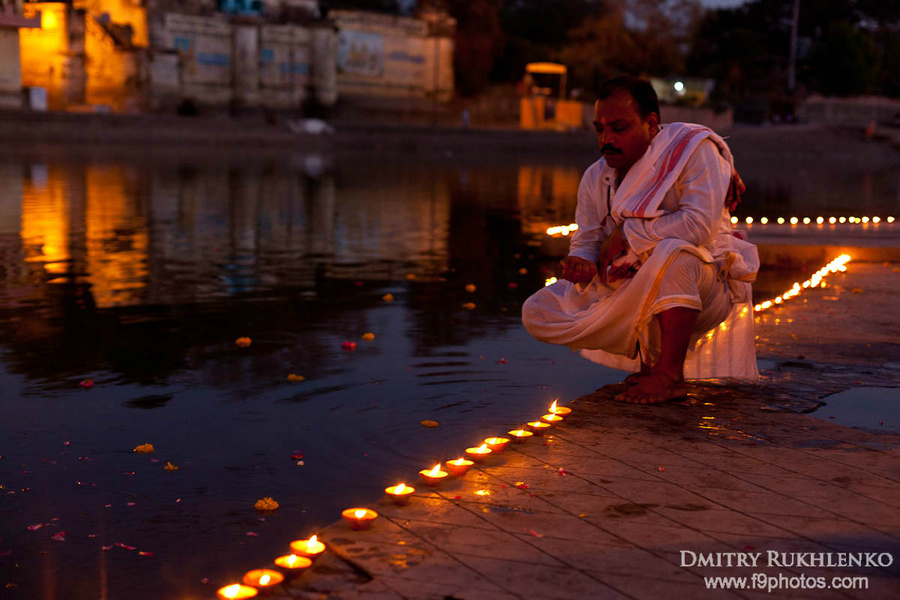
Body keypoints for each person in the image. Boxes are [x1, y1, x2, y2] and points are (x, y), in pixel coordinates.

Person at [522, 76, 759, 404]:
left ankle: (669, 375)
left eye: (619, 128)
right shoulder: (597, 176)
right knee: (538, 310)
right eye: (600, 129)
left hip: (705, 288)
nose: (607, 139)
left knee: (673, 254)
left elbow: (699, 225)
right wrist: (581, 261)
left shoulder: (692, 151)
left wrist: (629, 233)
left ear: (651, 124)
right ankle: (648, 363)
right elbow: (587, 237)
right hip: (630, 287)